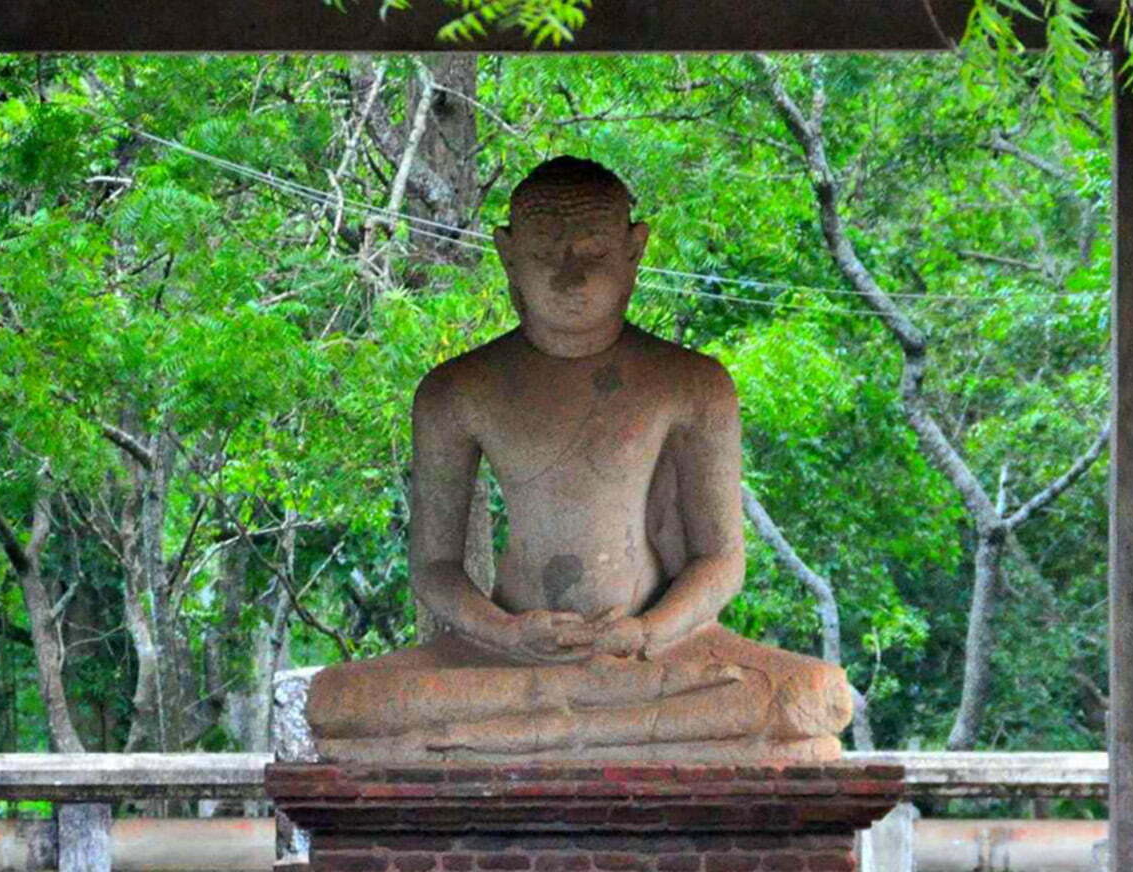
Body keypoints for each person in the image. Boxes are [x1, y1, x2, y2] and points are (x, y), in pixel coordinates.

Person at [308, 157, 855, 761]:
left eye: (592, 253)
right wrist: (507, 633)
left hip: (657, 654)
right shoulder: (457, 390)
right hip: (503, 659)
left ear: (634, 250)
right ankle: (583, 726)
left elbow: (721, 558)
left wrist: (648, 633)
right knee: (339, 699)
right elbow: (435, 566)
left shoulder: (692, 383)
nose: (570, 277)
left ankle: (504, 737)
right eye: (545, 255)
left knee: (812, 694)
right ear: (508, 255)